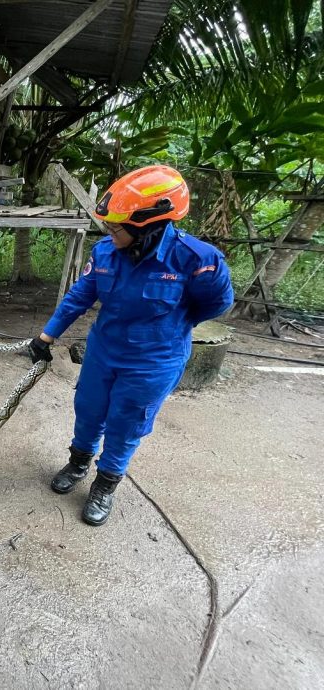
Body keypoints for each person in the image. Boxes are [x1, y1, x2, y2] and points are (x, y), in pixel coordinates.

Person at [29, 165, 234, 526]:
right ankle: (78, 463)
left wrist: (175, 325)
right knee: (89, 409)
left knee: (127, 423)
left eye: (115, 227)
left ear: (147, 225)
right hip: (104, 350)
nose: (108, 232)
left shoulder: (198, 260)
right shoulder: (106, 251)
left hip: (154, 360)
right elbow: (81, 294)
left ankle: (105, 485)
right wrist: (48, 335)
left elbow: (216, 304)